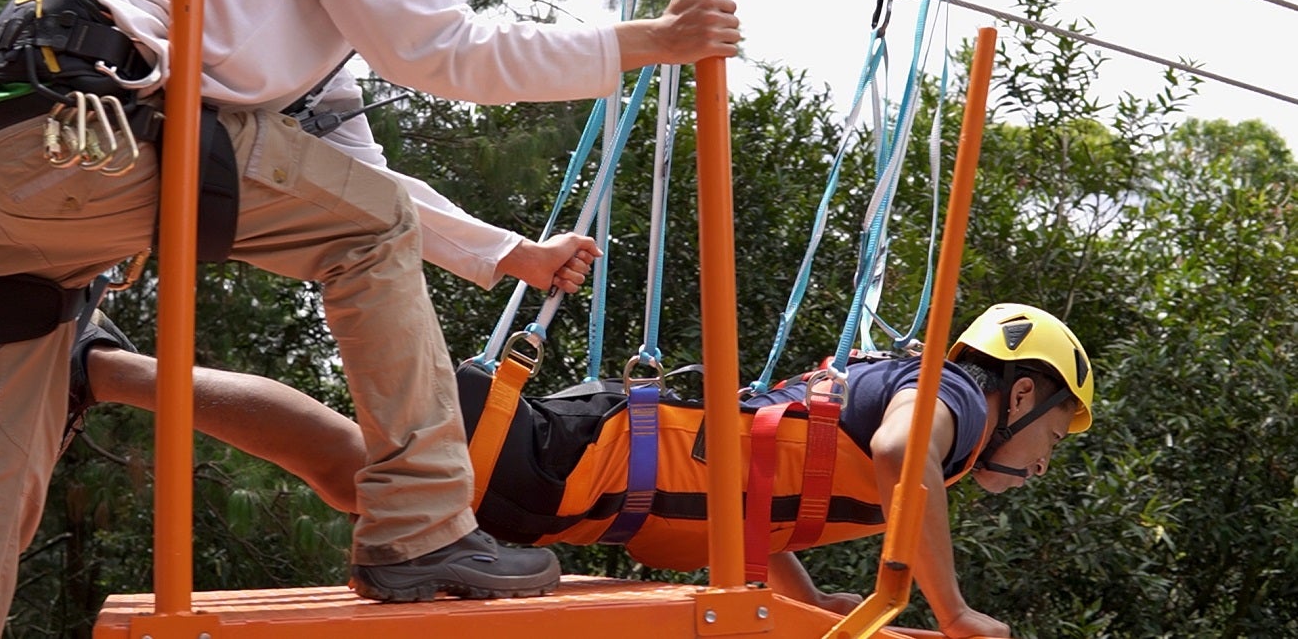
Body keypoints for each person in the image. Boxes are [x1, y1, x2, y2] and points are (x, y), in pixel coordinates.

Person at [0, 0, 740, 624]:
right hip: (92, 127)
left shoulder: (292, 23)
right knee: (370, 226)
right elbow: (445, 51)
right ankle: (420, 529)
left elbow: (363, 188)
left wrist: (511, 253)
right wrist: (653, 40)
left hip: (38, 172)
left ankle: (88, 363)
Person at [73, 302, 1093, 637]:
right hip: (561, 461)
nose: (1045, 458)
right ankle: (107, 367)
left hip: (566, 477)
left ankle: (108, 369)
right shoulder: (951, 403)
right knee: (345, 466)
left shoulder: (928, 412)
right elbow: (897, 451)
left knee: (345, 468)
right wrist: (949, 609)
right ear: (1019, 390)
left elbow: (759, 501)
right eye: (1055, 431)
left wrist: (809, 595)